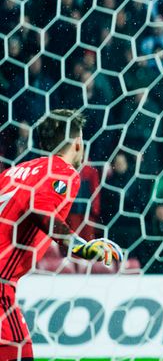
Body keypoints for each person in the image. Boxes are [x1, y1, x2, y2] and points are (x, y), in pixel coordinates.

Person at [0, 109, 122, 360]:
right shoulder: (62, 171)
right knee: (21, 353)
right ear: (78, 143)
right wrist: (79, 245)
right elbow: (39, 206)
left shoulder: (15, 171)